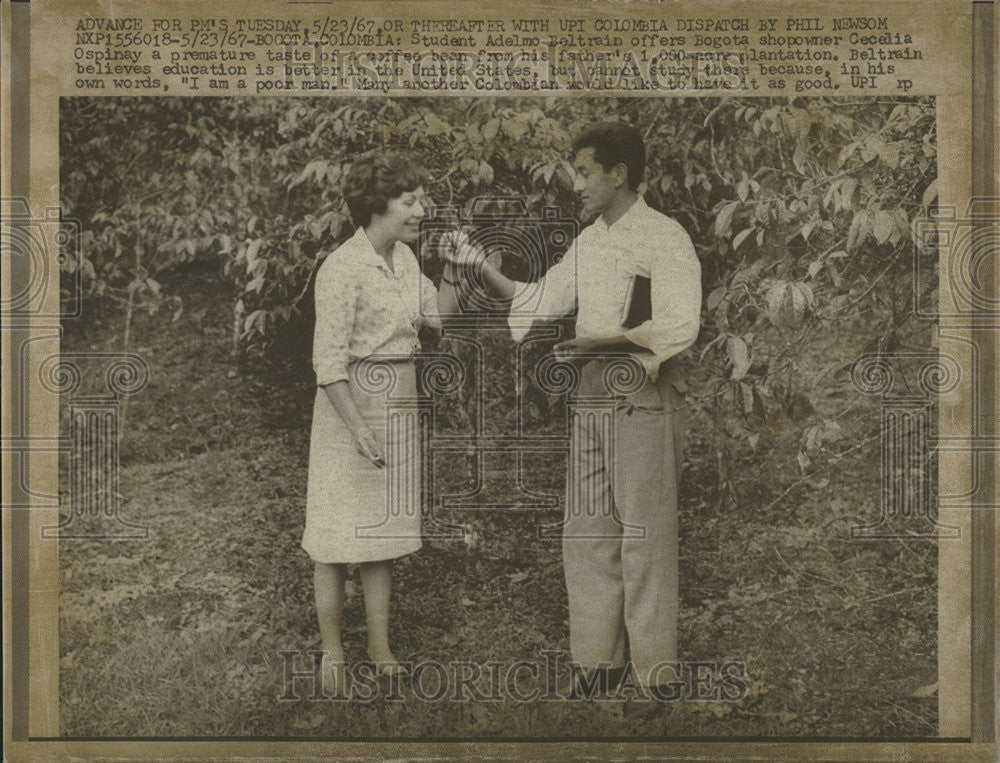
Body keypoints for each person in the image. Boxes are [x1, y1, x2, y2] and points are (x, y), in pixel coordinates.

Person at [447, 122, 701, 701]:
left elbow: (680, 324)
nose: (576, 184)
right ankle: (598, 664)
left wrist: (601, 342)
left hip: (644, 392)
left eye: (585, 173)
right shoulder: (590, 240)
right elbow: (541, 297)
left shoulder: (666, 237)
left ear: (619, 174)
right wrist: (477, 263)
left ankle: (654, 674)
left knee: (643, 535)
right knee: (587, 531)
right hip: (590, 395)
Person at [303, 151, 458, 694]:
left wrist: (458, 271)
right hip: (350, 408)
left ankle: (380, 644)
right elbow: (327, 363)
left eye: (422, 199)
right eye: (410, 200)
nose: (423, 209)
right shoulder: (341, 267)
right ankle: (333, 651)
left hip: (400, 399)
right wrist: (359, 428)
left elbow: (435, 320)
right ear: (378, 205)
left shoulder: (405, 261)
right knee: (335, 534)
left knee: (382, 532)